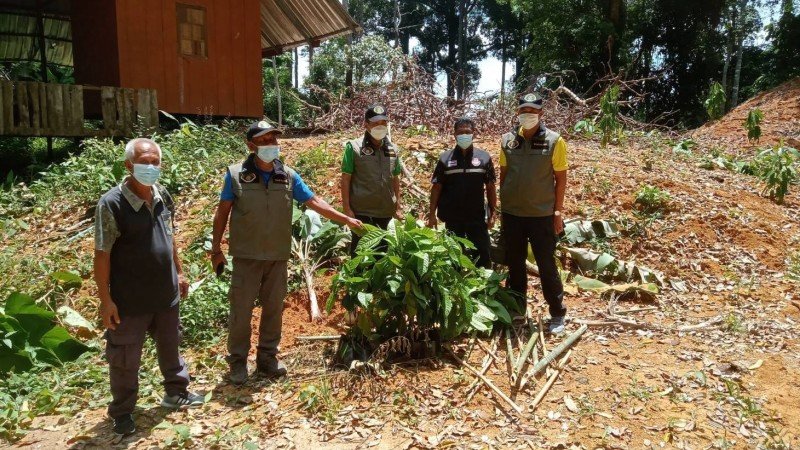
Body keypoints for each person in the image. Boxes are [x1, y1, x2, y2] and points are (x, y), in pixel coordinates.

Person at [210, 121, 362, 385]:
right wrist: (216, 249)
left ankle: (267, 358)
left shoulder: (288, 176)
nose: (271, 145)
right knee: (241, 312)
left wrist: (345, 219)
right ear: (251, 145)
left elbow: (314, 202)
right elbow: (222, 212)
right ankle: (237, 362)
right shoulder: (235, 175)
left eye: (273, 140)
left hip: (277, 257)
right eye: (265, 140)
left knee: (273, 309)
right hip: (247, 256)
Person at [94, 138, 204, 437]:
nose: (151, 167)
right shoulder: (112, 204)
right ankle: (123, 411)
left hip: (165, 294)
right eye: (144, 161)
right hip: (129, 300)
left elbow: (169, 237)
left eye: (155, 161)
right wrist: (106, 300)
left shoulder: (162, 195)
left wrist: (179, 273)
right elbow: (102, 255)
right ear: (129, 165)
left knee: (170, 347)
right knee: (125, 360)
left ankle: (176, 392)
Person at [499, 93, 569, 334]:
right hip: (513, 214)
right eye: (523, 111)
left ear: (540, 113)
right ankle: (517, 310)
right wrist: (503, 206)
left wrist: (557, 212)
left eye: (532, 111)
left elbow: (561, 178)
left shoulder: (554, 141)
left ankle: (557, 313)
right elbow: (503, 174)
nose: (527, 115)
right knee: (515, 265)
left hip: (541, 216)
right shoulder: (507, 140)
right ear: (517, 113)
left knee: (546, 264)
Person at [428, 117, 496, 268]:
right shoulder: (445, 158)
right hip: (453, 218)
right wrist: (432, 214)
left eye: (468, 132)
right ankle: (455, 287)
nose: (464, 135)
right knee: (454, 257)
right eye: (460, 132)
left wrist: (493, 213)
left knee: (482, 255)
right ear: (454, 135)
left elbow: (490, 187)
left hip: (476, 217)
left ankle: (483, 287)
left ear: (474, 134)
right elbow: (436, 187)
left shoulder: (484, 158)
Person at [341, 104, 404, 254]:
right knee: (361, 256)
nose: (380, 127)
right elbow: (345, 179)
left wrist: (398, 205)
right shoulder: (354, 147)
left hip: (386, 213)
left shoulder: (393, 149)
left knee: (383, 257)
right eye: (375, 123)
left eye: (383, 123)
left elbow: (395, 178)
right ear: (366, 125)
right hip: (362, 213)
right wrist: (347, 209)